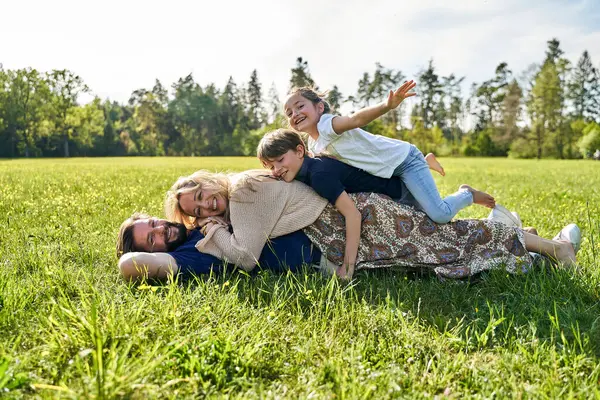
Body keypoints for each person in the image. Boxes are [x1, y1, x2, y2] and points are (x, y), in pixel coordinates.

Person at [164, 168, 579, 281]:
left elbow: (247, 259)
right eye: (197, 211)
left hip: (354, 222)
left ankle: (552, 248)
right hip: (342, 230)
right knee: (437, 253)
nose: (205, 206)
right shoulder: (241, 195)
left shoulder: (241, 194)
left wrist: (213, 232)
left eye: (201, 195)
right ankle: (531, 247)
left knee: (447, 238)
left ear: (206, 182)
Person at [284, 84, 495, 224]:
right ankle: (427, 160)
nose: (295, 114)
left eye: (300, 106)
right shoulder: (313, 143)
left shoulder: (327, 124)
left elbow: (356, 119)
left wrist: (387, 105)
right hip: (387, 170)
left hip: (405, 162)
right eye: (289, 113)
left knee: (440, 215)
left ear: (320, 107)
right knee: (425, 218)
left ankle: (466, 193)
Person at [116, 213, 321, 281]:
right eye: (152, 240)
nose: (160, 229)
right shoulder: (189, 255)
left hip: (308, 217)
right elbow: (128, 264)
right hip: (317, 249)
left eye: (153, 223)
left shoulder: (199, 220)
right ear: (153, 254)